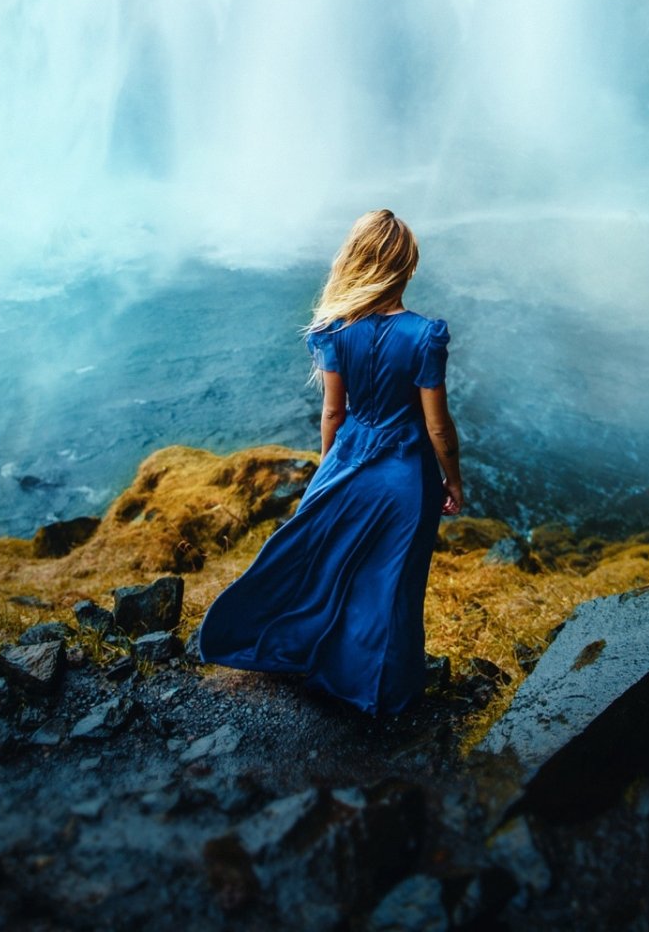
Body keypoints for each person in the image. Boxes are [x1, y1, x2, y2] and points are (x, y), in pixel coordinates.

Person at [196, 208, 465, 717]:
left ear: (357, 261)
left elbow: (333, 411)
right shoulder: (426, 335)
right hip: (407, 475)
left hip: (349, 460)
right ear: (406, 266)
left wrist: (329, 470)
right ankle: (383, 692)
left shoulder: (333, 330)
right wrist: (453, 478)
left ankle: (292, 649)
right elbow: (437, 427)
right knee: (392, 585)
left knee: (326, 566)